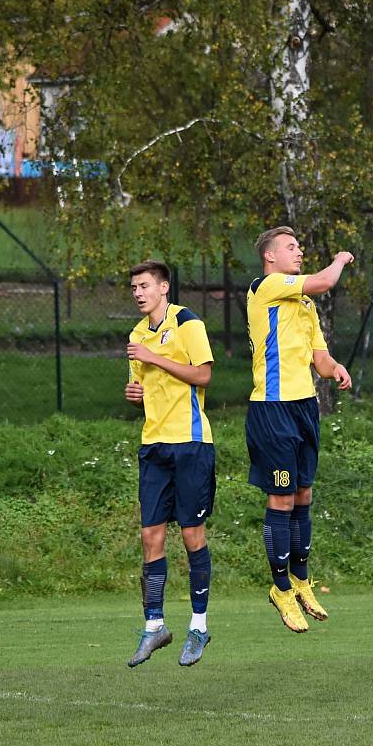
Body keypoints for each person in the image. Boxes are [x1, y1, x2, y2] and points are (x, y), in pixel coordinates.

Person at [245, 226, 354, 633]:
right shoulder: (267, 286)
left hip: (305, 408)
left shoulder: (303, 303)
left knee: (303, 494)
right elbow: (326, 280)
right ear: (270, 257)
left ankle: (301, 580)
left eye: (299, 247)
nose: (298, 252)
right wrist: (340, 260)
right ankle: (280, 588)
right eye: (290, 247)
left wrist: (335, 369)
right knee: (282, 500)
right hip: (272, 410)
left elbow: (319, 359)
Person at [124, 259, 216, 667]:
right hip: (154, 446)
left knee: (192, 535)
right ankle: (154, 625)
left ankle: (199, 625)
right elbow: (146, 386)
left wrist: (154, 357)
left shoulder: (188, 323)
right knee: (150, 536)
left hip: (191, 444)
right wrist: (136, 393)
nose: (138, 293)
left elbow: (203, 375)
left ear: (164, 287)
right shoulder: (137, 336)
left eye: (145, 286)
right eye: (134, 288)